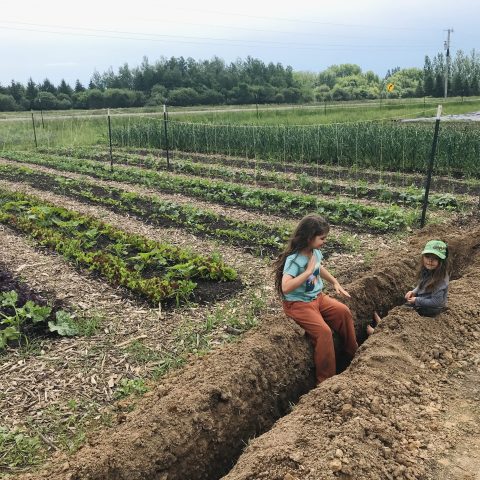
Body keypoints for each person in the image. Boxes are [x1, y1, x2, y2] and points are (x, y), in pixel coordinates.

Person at [273, 214, 358, 385]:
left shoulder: (315, 253)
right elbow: (286, 287)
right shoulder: (295, 259)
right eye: (322, 238)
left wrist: (334, 282)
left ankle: (353, 354)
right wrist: (307, 272)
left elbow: (319, 268)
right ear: (310, 237)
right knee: (324, 333)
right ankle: (326, 381)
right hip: (298, 304)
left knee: (343, 312)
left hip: (317, 298)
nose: (324, 241)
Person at [367, 239, 450, 335]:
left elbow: (436, 302)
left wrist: (417, 300)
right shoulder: (428, 270)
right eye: (427, 257)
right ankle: (383, 324)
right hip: (422, 301)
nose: (430, 261)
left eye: (435, 258)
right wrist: (414, 291)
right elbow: (422, 284)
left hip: (430, 310)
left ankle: (379, 333)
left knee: (404, 317)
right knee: (400, 309)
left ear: (442, 261)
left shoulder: (440, 280)